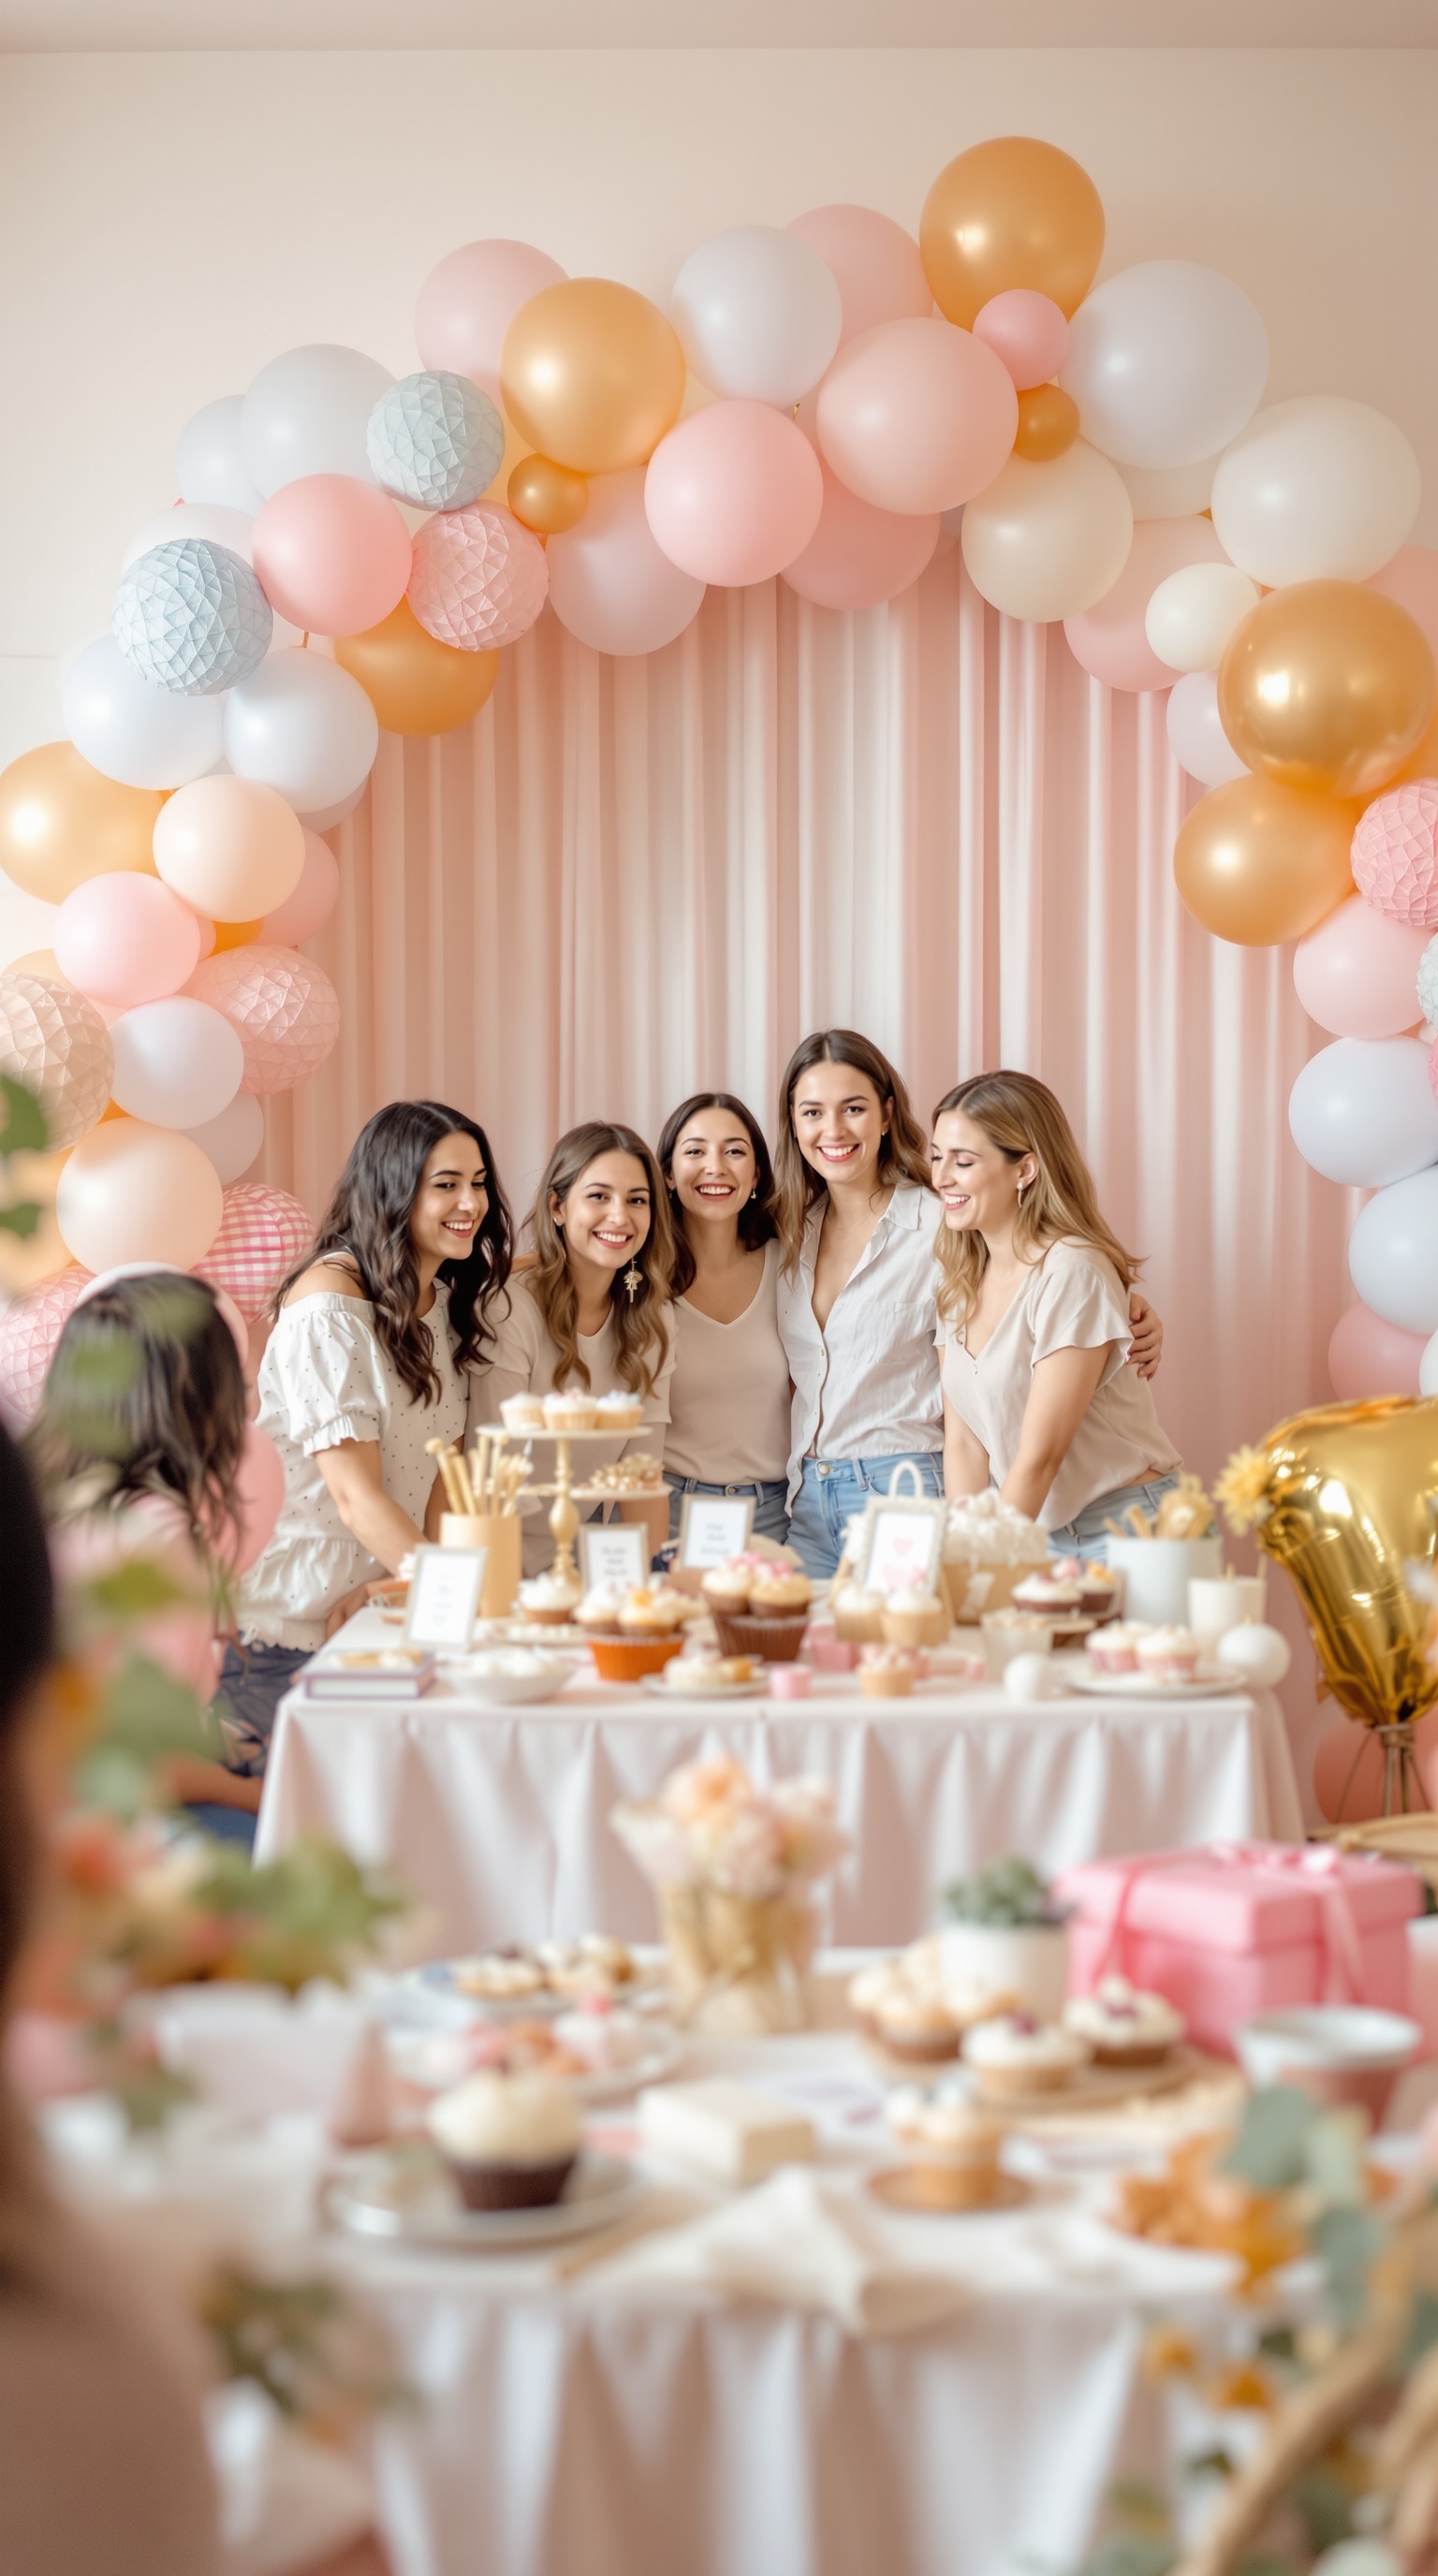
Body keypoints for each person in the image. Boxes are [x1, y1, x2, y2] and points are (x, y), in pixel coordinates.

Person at [773, 1029, 1165, 1579]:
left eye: (853, 1108)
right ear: (791, 1121)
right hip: (809, 1498)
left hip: (914, 1487)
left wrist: (1127, 1308)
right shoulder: (787, 1235)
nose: (832, 1129)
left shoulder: (946, 1222)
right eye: (811, 1111)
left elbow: (1053, 1270)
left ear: (886, 1115)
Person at [237, 1101, 512, 1768]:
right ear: (392, 1186)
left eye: (478, 1183)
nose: (470, 1202)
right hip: (292, 1637)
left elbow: (440, 1478)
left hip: (378, 1618)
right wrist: (458, 1606)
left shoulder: (439, 1302)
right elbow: (357, 1500)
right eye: (445, 1184)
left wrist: (411, 1591)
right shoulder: (327, 1309)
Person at [33, 1270, 258, 1840]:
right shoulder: (156, 1530)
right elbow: (145, 1764)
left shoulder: (44, 1496)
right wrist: (262, 1793)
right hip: (92, 1826)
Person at [931, 1069, 1182, 1559]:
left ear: (1024, 1170)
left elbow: (1041, 1457)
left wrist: (985, 1563)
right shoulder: (958, 1279)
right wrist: (967, 1551)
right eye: (937, 1157)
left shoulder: (1072, 1272)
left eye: (962, 1161)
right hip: (1035, 1531)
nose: (940, 1177)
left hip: (1131, 1530)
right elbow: (963, 1443)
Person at [471, 1121, 676, 1569]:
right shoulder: (511, 1306)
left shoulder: (653, 1317)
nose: (620, 1216)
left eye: (637, 1200)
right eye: (599, 1196)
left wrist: (646, 1595)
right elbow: (488, 1469)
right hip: (498, 1558)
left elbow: (641, 1477)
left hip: (586, 1563)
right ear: (557, 1207)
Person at [656, 1090, 791, 1546]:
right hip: (670, 1509)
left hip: (777, 1515)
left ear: (755, 1173)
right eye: (695, 1151)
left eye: (734, 1151)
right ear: (669, 1175)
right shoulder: (639, 1277)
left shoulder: (791, 1267)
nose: (715, 1166)